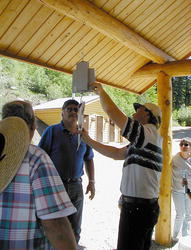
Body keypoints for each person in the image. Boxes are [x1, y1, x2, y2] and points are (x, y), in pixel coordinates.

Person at [79, 82, 163, 250]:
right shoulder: (144, 140)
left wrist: (101, 91)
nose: (134, 111)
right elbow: (117, 154)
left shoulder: (148, 133)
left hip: (138, 209)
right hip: (141, 207)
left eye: (139, 108)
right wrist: (88, 140)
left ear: (148, 114)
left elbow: (112, 113)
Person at [0, 100, 77, 250]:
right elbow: (55, 225)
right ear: (33, 127)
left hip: (75, 183)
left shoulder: (81, 133)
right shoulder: (34, 157)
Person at [38, 99, 95, 246]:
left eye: (76, 109)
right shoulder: (51, 131)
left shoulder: (84, 134)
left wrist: (92, 182)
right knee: (55, 226)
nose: (73, 112)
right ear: (62, 113)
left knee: (75, 227)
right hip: (55, 186)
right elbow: (40, 157)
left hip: (76, 187)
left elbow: (89, 159)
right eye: (69, 109)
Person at [172, 137, 191, 241]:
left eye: (186, 144)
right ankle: (174, 236)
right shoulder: (174, 158)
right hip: (177, 190)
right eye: (181, 144)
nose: (183, 146)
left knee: (189, 214)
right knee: (180, 214)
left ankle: (185, 237)